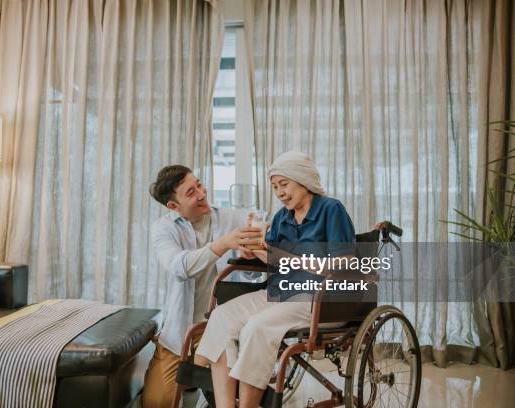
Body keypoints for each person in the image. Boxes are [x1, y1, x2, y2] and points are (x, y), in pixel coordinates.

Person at [195, 151, 356, 408]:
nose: (280, 192)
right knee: (221, 317)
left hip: (320, 298)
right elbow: (273, 259)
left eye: (284, 184)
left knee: (256, 327)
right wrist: (251, 249)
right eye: (274, 187)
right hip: (281, 292)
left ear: (303, 179)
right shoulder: (282, 217)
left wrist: (286, 258)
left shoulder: (331, 209)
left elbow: (345, 262)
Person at [142, 165, 263, 408]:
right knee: (156, 402)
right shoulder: (163, 229)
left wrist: (249, 257)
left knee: (230, 393)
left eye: (199, 184)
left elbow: (254, 275)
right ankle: (196, 380)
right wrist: (223, 243)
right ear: (173, 206)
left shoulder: (232, 218)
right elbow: (180, 267)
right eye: (190, 192)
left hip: (221, 327)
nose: (201, 193)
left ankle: (208, 385)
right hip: (180, 334)